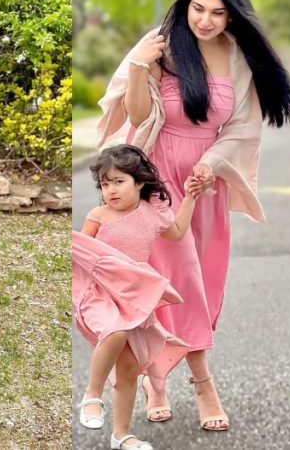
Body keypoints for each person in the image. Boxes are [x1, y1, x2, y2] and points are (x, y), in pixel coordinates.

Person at [97, 0, 290, 431]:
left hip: (204, 182)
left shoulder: (237, 58)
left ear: (233, 17)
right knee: (174, 283)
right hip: (157, 179)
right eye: (197, 9)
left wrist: (213, 164)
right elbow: (139, 116)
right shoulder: (161, 44)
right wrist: (137, 66)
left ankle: (156, 377)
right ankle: (200, 384)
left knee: (202, 287)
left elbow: (241, 127)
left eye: (217, 13)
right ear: (184, 5)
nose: (205, 20)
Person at [73, 144, 200, 450]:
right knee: (114, 333)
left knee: (129, 368)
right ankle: (92, 395)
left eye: (118, 182)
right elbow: (79, 252)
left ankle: (121, 435)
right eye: (105, 184)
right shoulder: (98, 215)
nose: (110, 190)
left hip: (133, 297)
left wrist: (191, 197)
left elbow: (178, 230)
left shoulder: (152, 214)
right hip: (99, 294)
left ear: (139, 181)